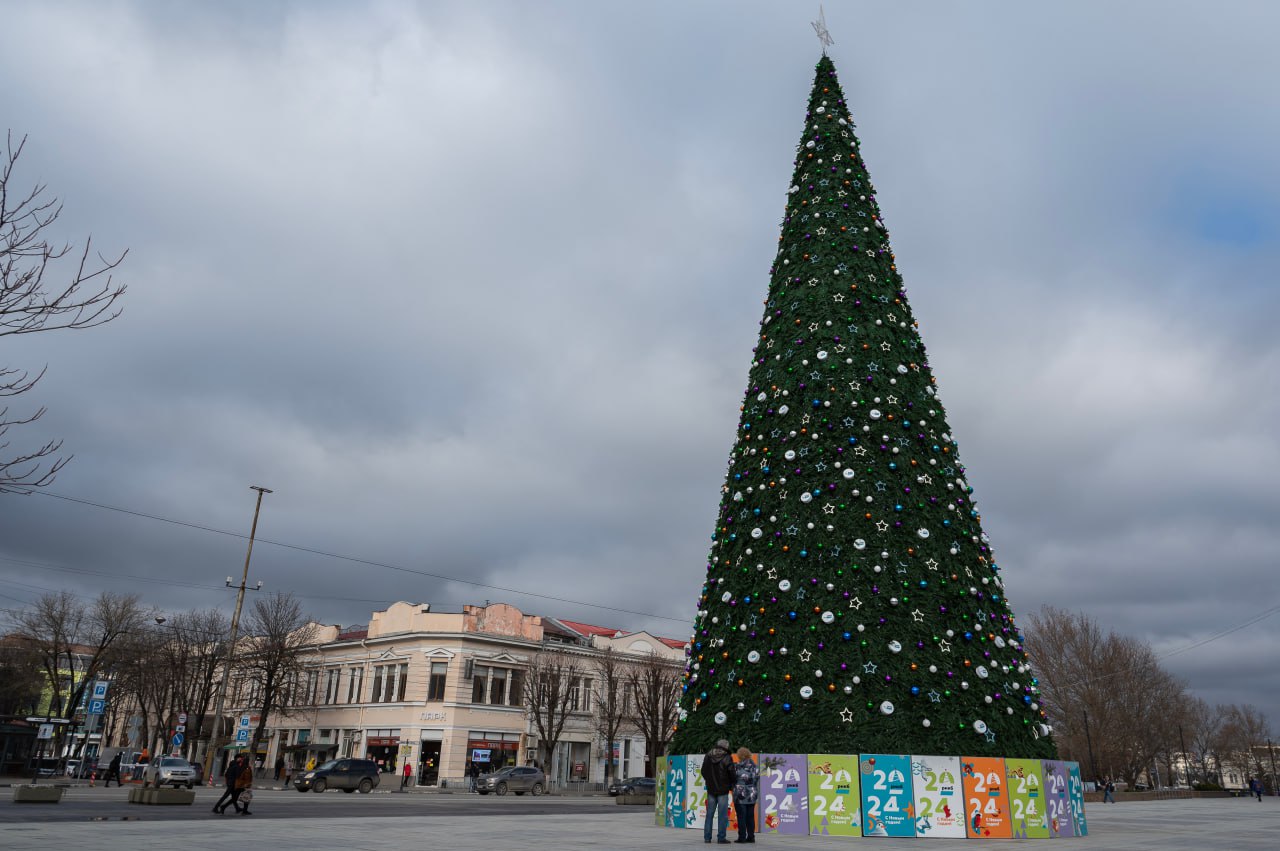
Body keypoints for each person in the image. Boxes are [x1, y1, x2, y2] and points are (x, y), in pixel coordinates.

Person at [700, 738, 735, 845]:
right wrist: (731, 785)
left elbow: (703, 771)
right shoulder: (727, 757)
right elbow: (732, 773)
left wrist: (709, 781)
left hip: (711, 790)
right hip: (723, 790)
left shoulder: (708, 756)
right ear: (725, 747)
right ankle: (721, 838)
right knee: (722, 815)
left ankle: (707, 838)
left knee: (709, 814)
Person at [732, 747, 759, 844]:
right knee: (750, 816)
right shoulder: (755, 767)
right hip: (752, 794)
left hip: (740, 795)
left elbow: (733, 779)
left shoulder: (737, 767)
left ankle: (742, 837)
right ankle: (751, 837)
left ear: (739, 756)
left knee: (741, 816)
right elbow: (756, 779)